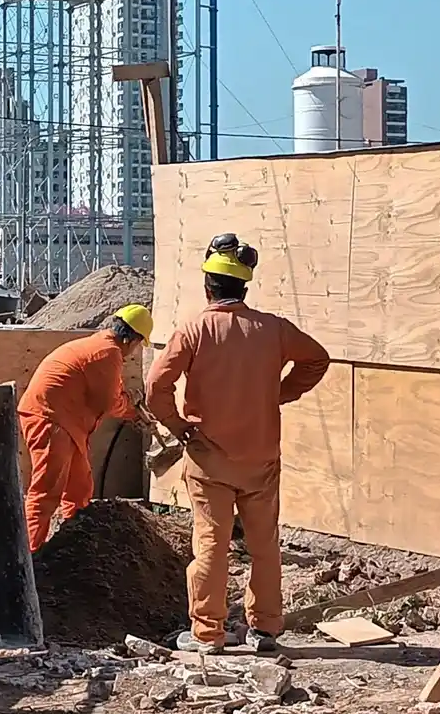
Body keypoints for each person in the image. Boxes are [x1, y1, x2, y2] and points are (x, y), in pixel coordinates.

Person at [146, 234, 330, 655]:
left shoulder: (195, 331)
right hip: (261, 457)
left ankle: (207, 633)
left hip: (209, 458)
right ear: (244, 287)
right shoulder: (273, 329)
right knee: (264, 544)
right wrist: (280, 393)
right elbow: (317, 358)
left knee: (211, 541)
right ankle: (265, 630)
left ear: (208, 285)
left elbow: (157, 386)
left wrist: (179, 427)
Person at [17, 304, 151, 553]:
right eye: (137, 345)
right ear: (130, 339)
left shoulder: (102, 347)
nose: (134, 352)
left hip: (65, 423)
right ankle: (28, 556)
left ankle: (73, 549)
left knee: (79, 489)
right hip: (50, 419)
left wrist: (128, 402)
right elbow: (109, 403)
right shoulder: (107, 353)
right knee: (46, 491)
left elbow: (110, 391)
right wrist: (132, 411)